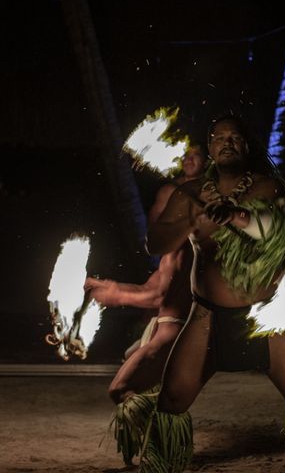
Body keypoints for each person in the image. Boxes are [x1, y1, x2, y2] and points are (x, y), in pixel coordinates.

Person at [145, 116, 285, 473]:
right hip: (207, 317)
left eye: (235, 137)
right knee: (172, 398)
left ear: (246, 146)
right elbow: (155, 243)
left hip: (265, 315)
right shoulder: (189, 194)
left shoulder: (269, 188)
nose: (227, 142)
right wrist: (192, 222)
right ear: (210, 148)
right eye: (219, 137)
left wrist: (234, 214)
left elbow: (274, 231)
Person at [84, 145, 207, 466]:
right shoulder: (173, 250)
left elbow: (156, 298)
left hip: (177, 331)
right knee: (136, 372)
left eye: (163, 205)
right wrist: (109, 287)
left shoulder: (186, 248)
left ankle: (169, 447)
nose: (156, 211)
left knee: (121, 388)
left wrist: (117, 297)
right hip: (165, 327)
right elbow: (152, 288)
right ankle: (165, 443)